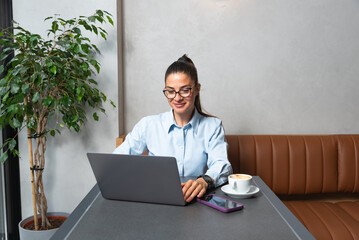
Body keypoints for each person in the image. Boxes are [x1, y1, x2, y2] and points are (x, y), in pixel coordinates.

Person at [113, 54, 232, 202]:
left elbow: (221, 164)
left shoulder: (212, 127)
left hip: (194, 203)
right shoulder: (148, 125)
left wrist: (204, 181)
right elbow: (116, 160)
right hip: (156, 200)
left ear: (196, 89)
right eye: (170, 91)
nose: (177, 98)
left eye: (185, 90)